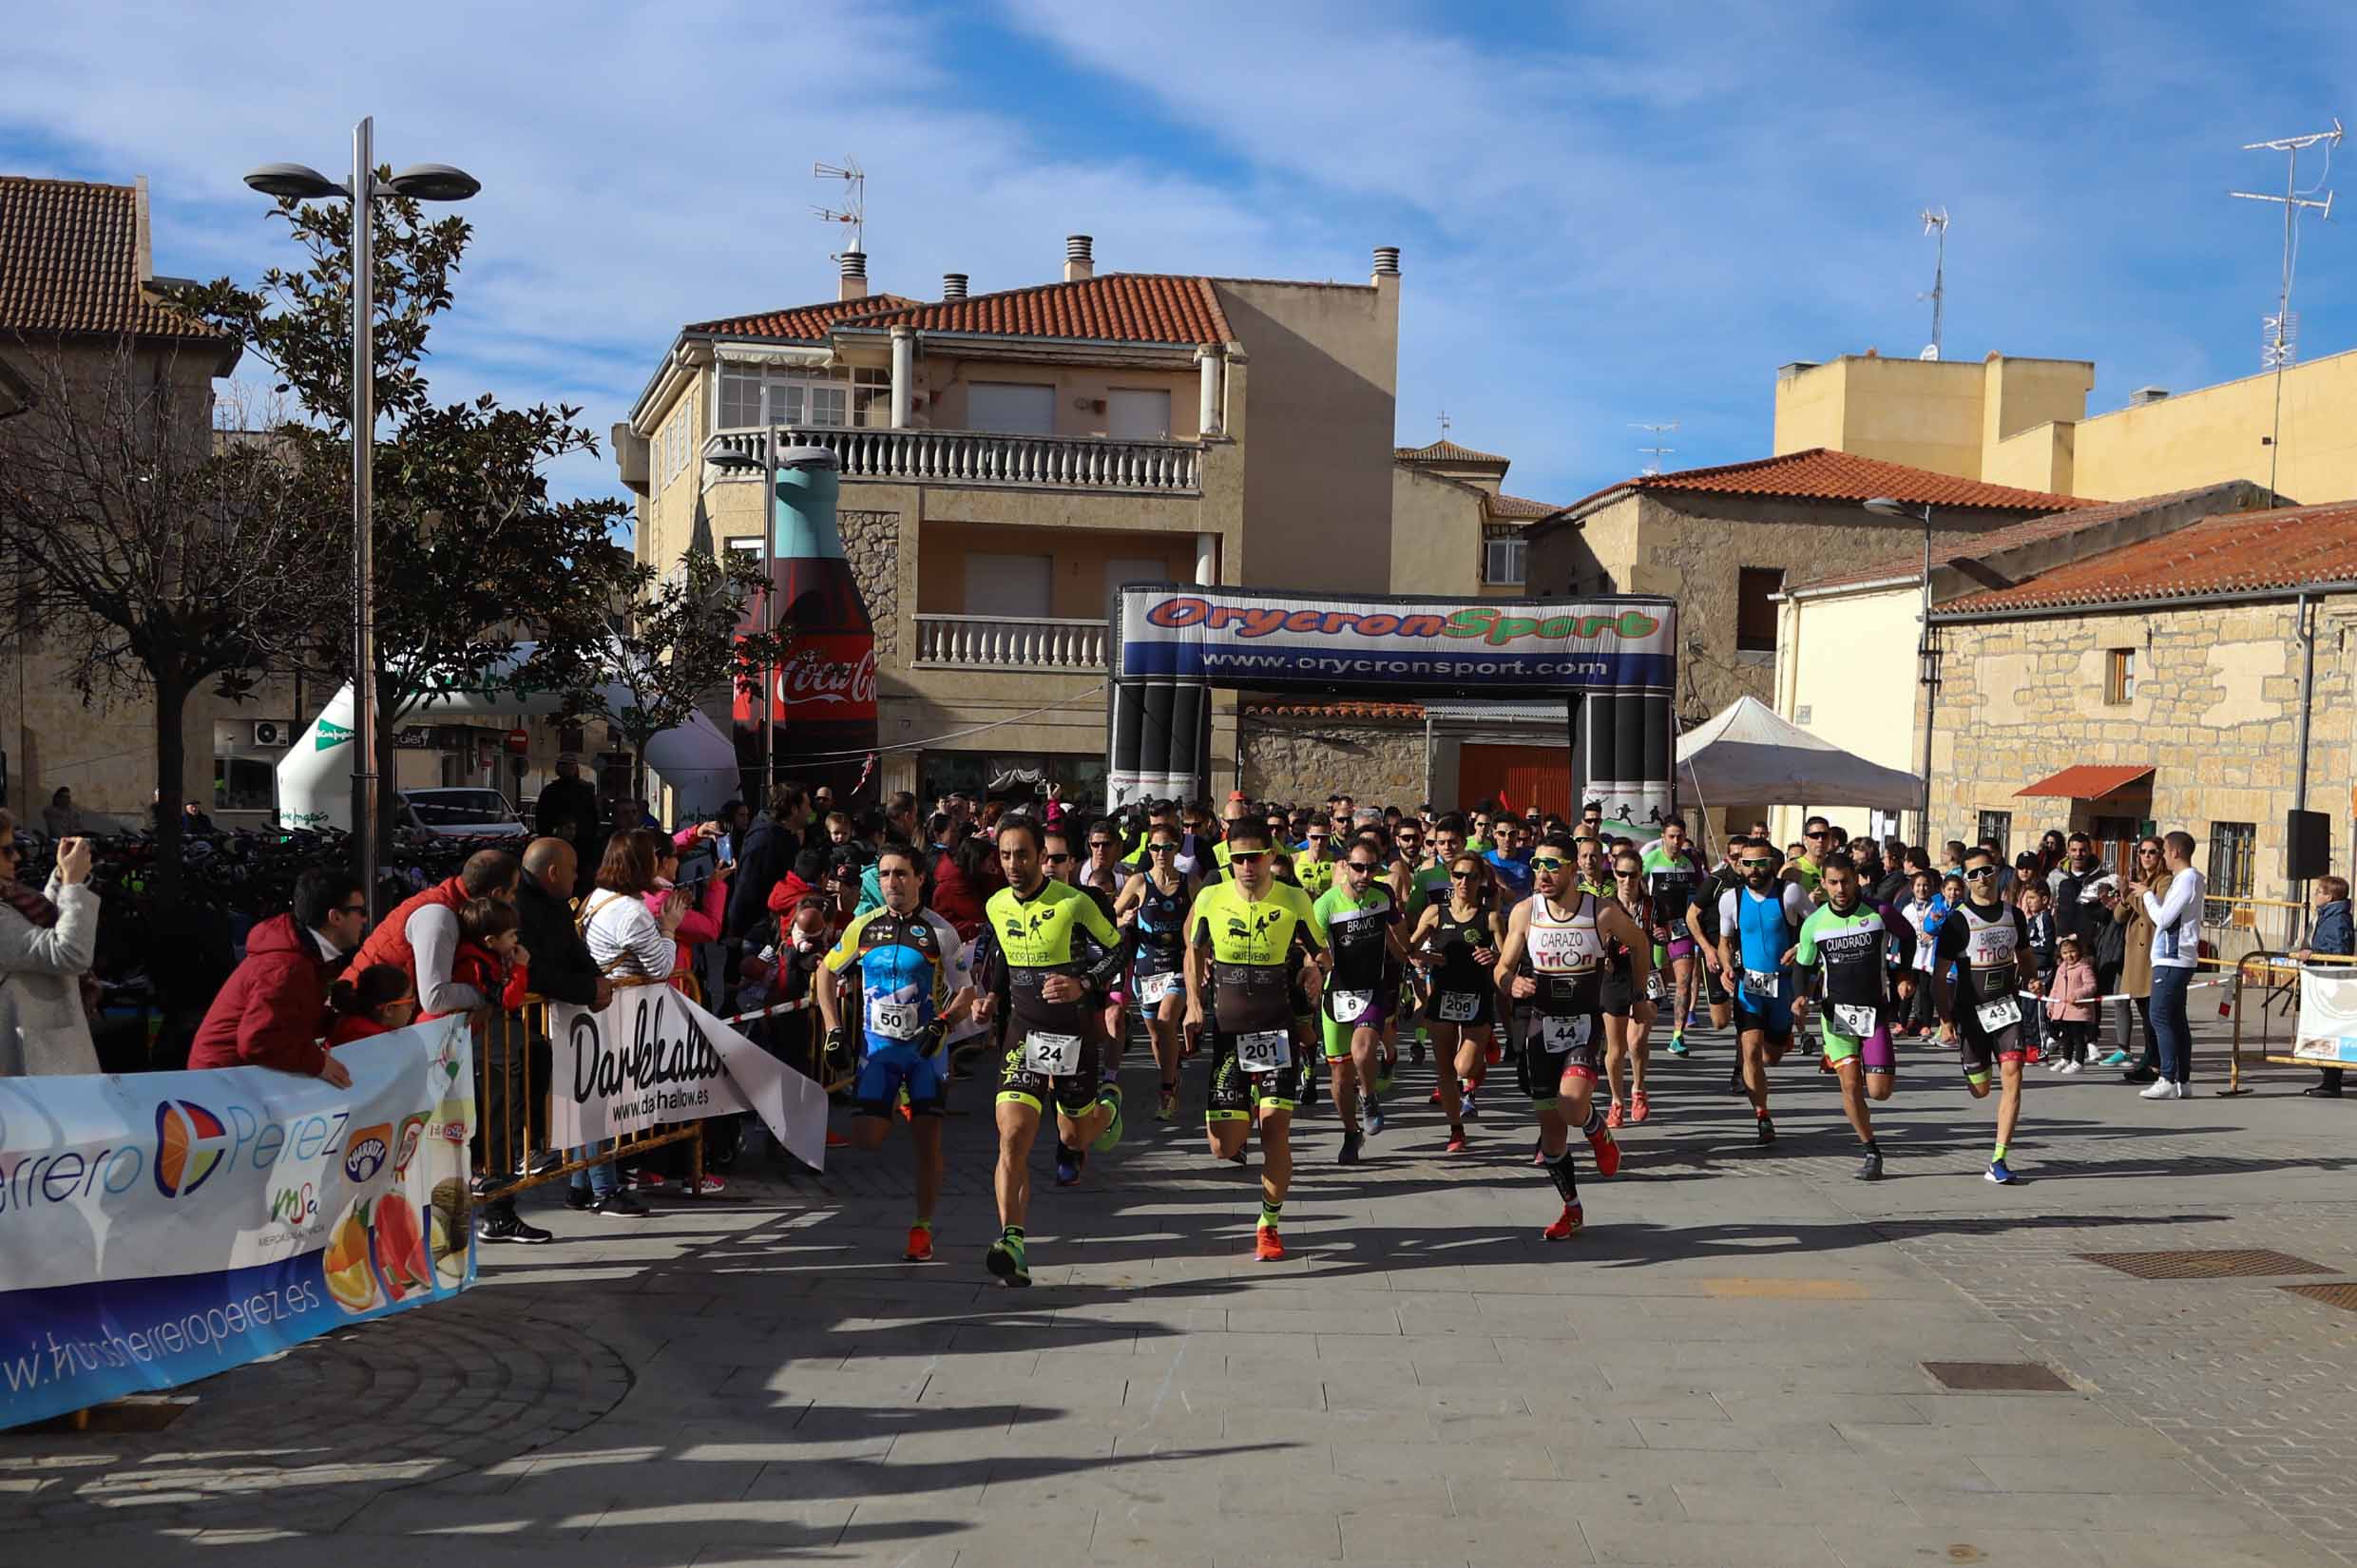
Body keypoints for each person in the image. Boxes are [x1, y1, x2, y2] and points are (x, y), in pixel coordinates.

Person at [976, 817, 1127, 1286]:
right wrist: (992, 995)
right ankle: (1014, 1243)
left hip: (1072, 1036)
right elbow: (1001, 953)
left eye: (1022, 854)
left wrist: (1084, 982)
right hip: (1023, 1034)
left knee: (1075, 1138)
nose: (1013, 865)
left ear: (1042, 855)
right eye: (1005, 855)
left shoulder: (1073, 902)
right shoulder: (996, 904)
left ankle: (1106, 1110)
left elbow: (1119, 949)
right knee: (1012, 1138)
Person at [816, 844, 972, 1262]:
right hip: (879, 1051)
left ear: (920, 878)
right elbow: (826, 972)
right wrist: (833, 1028)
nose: (892, 882)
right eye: (885, 874)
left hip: (925, 1052)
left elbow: (966, 992)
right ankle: (898, 1103)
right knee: (868, 1139)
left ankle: (922, 1229)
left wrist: (945, 1021)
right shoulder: (863, 927)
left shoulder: (940, 932)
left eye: (901, 874)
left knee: (927, 1144)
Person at [1183, 819, 1327, 1260]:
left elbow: (1319, 949)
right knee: (1224, 1146)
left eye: (1255, 857)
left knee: (1274, 1130)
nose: (1247, 866)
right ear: (1229, 858)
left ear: (1270, 856)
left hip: (1276, 1027)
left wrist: (1315, 967)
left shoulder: (1293, 898)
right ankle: (1241, 1108)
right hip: (1229, 1033)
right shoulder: (1211, 897)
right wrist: (1192, 1002)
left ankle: (1269, 1222)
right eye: (1238, 858)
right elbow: (1194, 949)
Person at [1494, 832, 1641, 1240]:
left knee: (1573, 1103)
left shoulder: (1601, 912)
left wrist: (1641, 996)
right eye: (1537, 865)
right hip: (1541, 1028)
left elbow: (1640, 944)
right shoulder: (1524, 912)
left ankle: (1598, 1131)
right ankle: (1571, 1209)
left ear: (1573, 870)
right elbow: (1503, 965)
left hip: (1584, 1024)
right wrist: (1510, 983)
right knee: (1552, 1138)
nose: (1542, 873)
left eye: (1551, 866)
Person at [1790, 852, 1911, 1180]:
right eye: (1833, 882)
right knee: (1850, 1085)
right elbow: (1804, 965)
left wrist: (1902, 975)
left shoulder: (1879, 912)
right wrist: (1800, 997)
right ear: (1824, 884)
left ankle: (1863, 1107)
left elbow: (1909, 936)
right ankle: (1870, 1150)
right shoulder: (1814, 923)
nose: (1840, 888)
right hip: (1836, 1016)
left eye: (1846, 880)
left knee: (1880, 1091)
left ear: (1856, 879)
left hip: (1875, 1014)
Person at [187, 866, 366, 1084]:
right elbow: (259, 1040)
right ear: (336, 917)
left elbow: (291, 1018)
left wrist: (340, 1020)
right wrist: (317, 1063)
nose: (364, 920)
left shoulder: (305, 956)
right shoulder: (287, 966)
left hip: (237, 1077)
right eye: (361, 911)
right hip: (222, 1085)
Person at [1934, 846, 2037, 1183]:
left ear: (1997, 872)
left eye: (1987, 871)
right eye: (1974, 874)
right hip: (1970, 1013)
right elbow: (1939, 976)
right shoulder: (1957, 922)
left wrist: (2032, 978)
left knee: (2014, 1071)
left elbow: (2025, 956)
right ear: (1965, 880)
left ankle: (1999, 1158)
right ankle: (1974, 1067)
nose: (1982, 879)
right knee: (1981, 1089)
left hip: (2005, 1009)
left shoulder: (2013, 915)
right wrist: (1946, 1020)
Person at [1313, 840, 1407, 1160]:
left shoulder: (1383, 896)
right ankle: (1351, 1132)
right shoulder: (1327, 903)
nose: (1365, 874)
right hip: (1336, 994)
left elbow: (1398, 937)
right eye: (1358, 867)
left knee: (1363, 1049)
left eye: (1371, 868)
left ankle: (1368, 1096)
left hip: (1372, 990)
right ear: (1345, 866)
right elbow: (1308, 943)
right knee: (1339, 1077)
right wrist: (1314, 965)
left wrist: (1414, 959)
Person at [1407, 851, 1505, 1151]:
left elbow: (1508, 961)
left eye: (1471, 876)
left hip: (1477, 997)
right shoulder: (1436, 913)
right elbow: (1409, 949)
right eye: (1459, 875)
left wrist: (1495, 957)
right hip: (1443, 997)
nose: (1464, 882)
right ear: (1451, 878)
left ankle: (1481, 1051)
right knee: (1446, 1071)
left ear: (1481, 881)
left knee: (1464, 1067)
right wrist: (1424, 956)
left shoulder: (1490, 918)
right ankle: (1456, 1129)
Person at [1718, 842, 1811, 1144]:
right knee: (1750, 1051)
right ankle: (1762, 1115)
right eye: (1748, 863)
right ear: (1739, 865)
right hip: (1749, 988)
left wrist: (1799, 948)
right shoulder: (1730, 899)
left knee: (1772, 1057)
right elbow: (1725, 941)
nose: (1754, 870)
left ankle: (1784, 1038)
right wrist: (1725, 966)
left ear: (1771, 864)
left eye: (1760, 864)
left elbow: (1819, 927)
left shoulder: (1790, 893)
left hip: (1782, 987)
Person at [0, 817, 99, 1077]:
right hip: (33, 1075)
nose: (17, 857)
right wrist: (72, 884)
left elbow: (37, 928)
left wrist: (61, 877)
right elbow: (70, 954)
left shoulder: (9, 897)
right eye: (7, 850)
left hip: (45, 1066)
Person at [1116, 818, 1198, 1120]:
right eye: (1155, 847)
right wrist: (1124, 920)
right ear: (1148, 849)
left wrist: (1204, 959)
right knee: (1156, 1035)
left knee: (1166, 1022)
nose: (1161, 852)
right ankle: (1171, 1076)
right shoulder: (1139, 882)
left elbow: (1201, 923)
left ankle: (1166, 1091)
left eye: (1167, 847)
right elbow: (1110, 918)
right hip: (1146, 969)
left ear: (1177, 849)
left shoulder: (1190, 882)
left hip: (1177, 966)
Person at [2139, 830, 2205, 1100]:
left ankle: (2167, 1077)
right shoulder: (2188, 879)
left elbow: (2164, 918)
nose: (2162, 856)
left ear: (2175, 852)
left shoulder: (2187, 879)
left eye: (2164, 851)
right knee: (2176, 1019)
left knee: (2160, 1016)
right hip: (2175, 957)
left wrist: (2147, 895)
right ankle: (2183, 1080)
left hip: (2173, 957)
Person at [1599, 851, 1658, 1126]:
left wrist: (1663, 936)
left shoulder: (1651, 905)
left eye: (1632, 874)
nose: (1627, 880)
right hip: (1614, 979)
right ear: (1614, 874)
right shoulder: (1606, 907)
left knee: (1637, 1042)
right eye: (1621, 874)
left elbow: (1670, 933)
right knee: (1616, 1048)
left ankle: (1638, 1088)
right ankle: (1616, 1100)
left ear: (1640, 874)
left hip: (1647, 976)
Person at [1639, 818, 1705, 1056]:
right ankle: (1641, 1033)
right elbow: (1633, 888)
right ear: (1663, 836)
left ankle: (1678, 1035)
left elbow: (1701, 894)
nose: (1676, 841)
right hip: (1655, 930)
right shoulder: (1651, 860)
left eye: (1680, 836)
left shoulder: (1691, 864)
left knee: (1684, 982)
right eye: (1671, 836)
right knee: (1657, 988)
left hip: (1681, 930)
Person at [725, 782, 813, 945]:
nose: (810, 812)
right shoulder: (764, 840)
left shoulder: (787, 836)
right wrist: (736, 931)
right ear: (794, 809)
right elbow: (746, 887)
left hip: (775, 928)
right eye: (807, 806)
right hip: (755, 933)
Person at [418, 897, 532, 1020]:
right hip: (438, 1029)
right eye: (511, 935)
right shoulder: (476, 965)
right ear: (490, 941)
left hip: (449, 1029)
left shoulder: (485, 956)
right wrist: (519, 967)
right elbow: (507, 1000)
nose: (516, 939)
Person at [2294, 874, 2354, 1096]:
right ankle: (2331, 1077)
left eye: (2319, 892)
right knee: (2324, 1030)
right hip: (2322, 981)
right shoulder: (2326, 915)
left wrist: (2313, 955)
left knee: (2329, 1031)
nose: (2315, 895)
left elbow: (2339, 952)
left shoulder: (2337, 919)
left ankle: (2332, 1081)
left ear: (2330, 896)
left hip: (2330, 984)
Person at [534, 754, 604, 895]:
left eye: (572, 765)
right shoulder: (550, 792)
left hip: (583, 848)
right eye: (565, 764)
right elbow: (542, 820)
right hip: (556, 846)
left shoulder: (585, 791)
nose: (569, 768)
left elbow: (593, 819)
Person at [2042, 933, 2100, 1072]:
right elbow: (2055, 988)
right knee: (2066, 1038)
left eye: (2072, 952)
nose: (2069, 956)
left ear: (2079, 951)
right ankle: (2065, 1059)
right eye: (2065, 953)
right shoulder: (2061, 969)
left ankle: (2079, 1061)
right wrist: (2050, 1004)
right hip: (2062, 1011)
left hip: (2078, 1011)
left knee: (2078, 1038)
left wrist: (2077, 994)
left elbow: (2091, 986)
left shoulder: (2084, 967)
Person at [326, 964, 418, 1046]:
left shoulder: (348, 1026)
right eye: (410, 1002)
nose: (413, 1007)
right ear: (389, 1010)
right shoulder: (378, 1046)